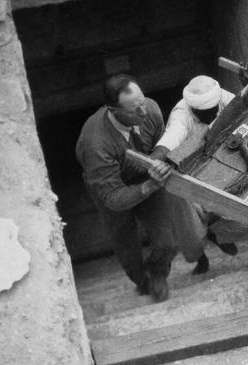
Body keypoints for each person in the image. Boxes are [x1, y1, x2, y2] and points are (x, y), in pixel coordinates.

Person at [75, 74, 178, 302]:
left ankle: (158, 273)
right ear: (112, 110)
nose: (143, 112)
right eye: (134, 109)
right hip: (110, 189)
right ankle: (142, 281)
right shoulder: (95, 144)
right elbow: (113, 198)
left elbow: (162, 142)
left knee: (168, 242)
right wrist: (151, 185)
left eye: (142, 102)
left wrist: (157, 162)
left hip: (146, 175)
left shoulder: (149, 109)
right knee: (126, 245)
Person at [151, 75, 248, 263]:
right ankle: (199, 256)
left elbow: (244, 106)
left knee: (226, 207)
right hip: (188, 168)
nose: (212, 116)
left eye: (213, 111)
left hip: (219, 158)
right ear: (193, 109)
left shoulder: (223, 98)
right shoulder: (181, 114)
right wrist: (155, 160)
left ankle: (219, 236)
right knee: (191, 226)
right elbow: (171, 137)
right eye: (206, 113)